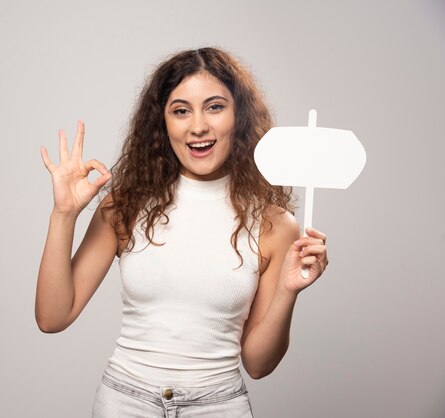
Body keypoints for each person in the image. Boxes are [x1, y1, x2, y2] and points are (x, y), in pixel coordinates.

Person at [36, 47, 329, 417]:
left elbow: (258, 364)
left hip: (218, 407)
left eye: (215, 107)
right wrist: (63, 215)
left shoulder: (274, 224)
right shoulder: (125, 206)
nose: (198, 126)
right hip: (125, 404)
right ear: (162, 123)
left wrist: (288, 291)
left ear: (239, 116)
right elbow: (52, 317)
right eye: (181, 110)